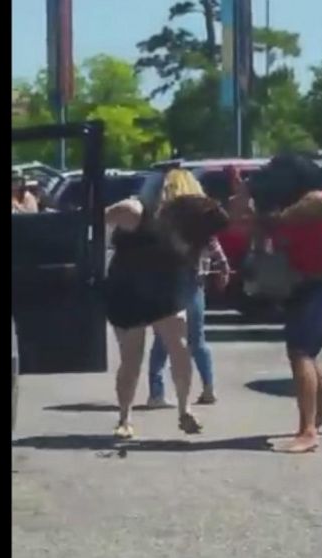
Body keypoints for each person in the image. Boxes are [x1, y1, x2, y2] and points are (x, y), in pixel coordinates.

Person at [229, 154, 322, 454]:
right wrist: (242, 195)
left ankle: (308, 432)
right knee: (300, 350)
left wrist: (257, 205)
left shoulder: (319, 200)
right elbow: (241, 225)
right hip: (302, 286)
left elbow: (277, 221)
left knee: (301, 351)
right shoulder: (281, 206)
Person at [104, 173, 229, 439]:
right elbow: (95, 221)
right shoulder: (136, 210)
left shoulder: (191, 220)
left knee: (179, 347)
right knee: (132, 357)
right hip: (130, 288)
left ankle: (184, 409)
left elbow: (220, 225)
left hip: (165, 287)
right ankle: (125, 418)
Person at [146, 170, 230, 408]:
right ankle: (208, 387)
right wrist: (223, 269)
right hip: (195, 281)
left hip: (166, 282)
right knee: (197, 339)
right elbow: (215, 246)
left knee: (162, 340)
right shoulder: (202, 215)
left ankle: (156, 392)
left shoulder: (162, 215)